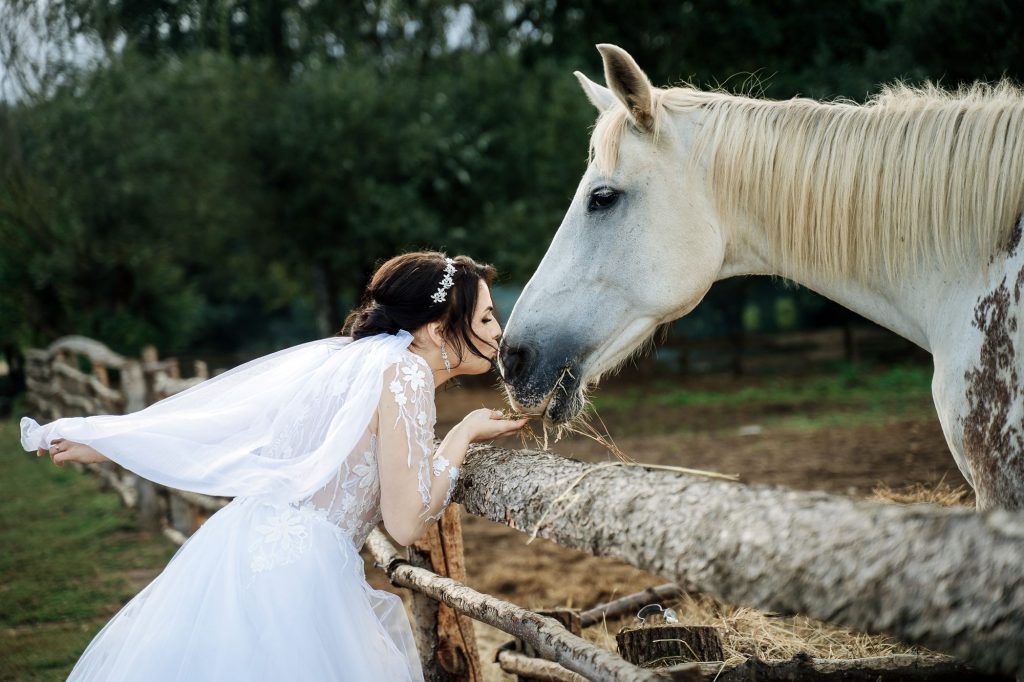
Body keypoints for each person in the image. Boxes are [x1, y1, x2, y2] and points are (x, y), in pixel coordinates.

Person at [19, 251, 527, 681]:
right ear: (439, 330)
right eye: (485, 318)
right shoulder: (406, 376)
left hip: (241, 545)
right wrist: (460, 437)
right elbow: (405, 521)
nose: (499, 331)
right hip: (298, 575)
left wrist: (108, 441)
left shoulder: (354, 362)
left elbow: (230, 419)